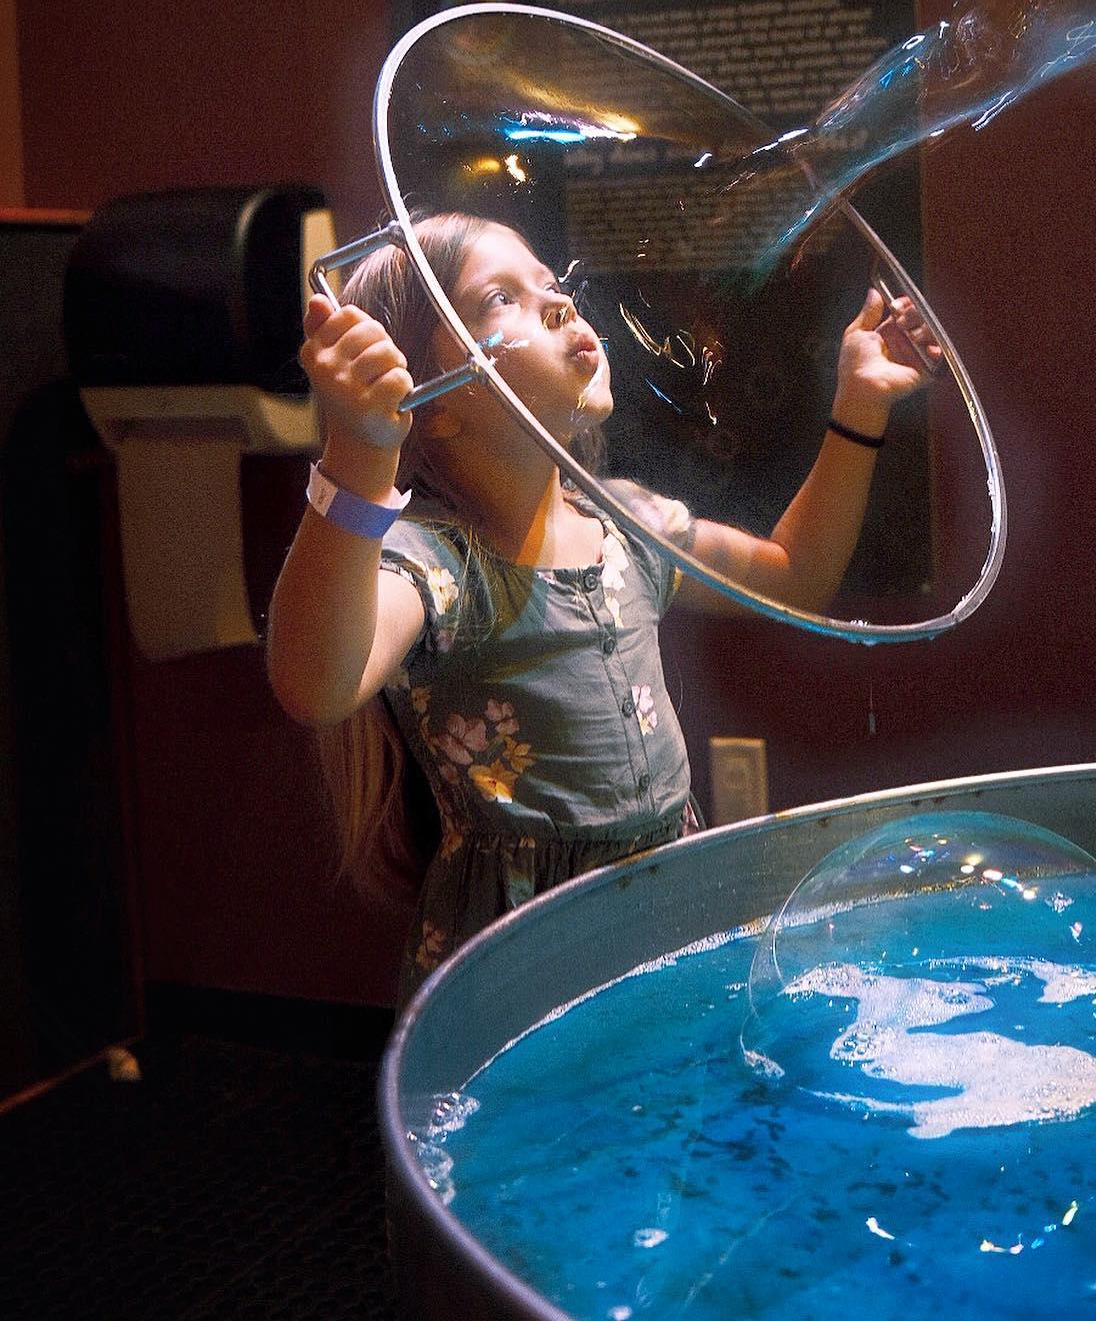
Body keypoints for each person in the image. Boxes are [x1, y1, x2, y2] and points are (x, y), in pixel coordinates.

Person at [266, 212, 939, 1005]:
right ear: (431, 400)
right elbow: (315, 685)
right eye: (499, 300)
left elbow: (793, 576)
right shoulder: (439, 563)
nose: (558, 304)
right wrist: (358, 456)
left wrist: (859, 404)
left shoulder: (631, 524)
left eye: (551, 283)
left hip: (668, 915)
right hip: (526, 961)